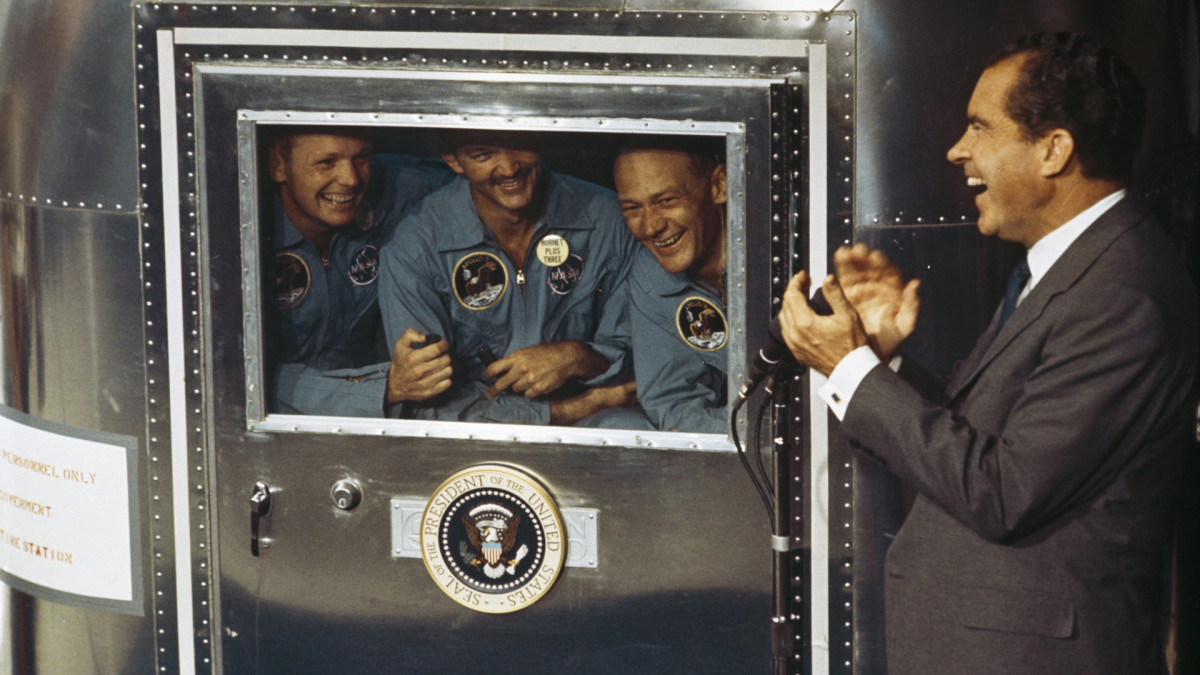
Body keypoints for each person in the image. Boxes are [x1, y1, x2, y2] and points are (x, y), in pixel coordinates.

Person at [779, 33, 1198, 673]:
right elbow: (989, 441)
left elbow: (1004, 492)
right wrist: (881, 358)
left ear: (1054, 149)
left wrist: (850, 370)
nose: (957, 150)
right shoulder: (1074, 268)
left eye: (979, 127)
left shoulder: (1121, 293)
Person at [378, 130, 641, 426]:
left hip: (598, 418)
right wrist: (567, 410)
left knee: (630, 426)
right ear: (452, 159)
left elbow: (650, 364)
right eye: (483, 155)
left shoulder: (608, 221)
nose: (509, 168)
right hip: (478, 429)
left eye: (520, 145)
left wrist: (578, 357)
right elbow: (424, 406)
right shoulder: (414, 246)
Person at [265, 127, 451, 416]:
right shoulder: (241, 229)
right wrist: (382, 389)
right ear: (277, 166)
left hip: (382, 415)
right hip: (284, 420)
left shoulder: (396, 192)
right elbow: (241, 375)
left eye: (362, 158)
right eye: (326, 162)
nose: (351, 179)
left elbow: (485, 181)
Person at [613, 137, 728, 433]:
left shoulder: (781, 259)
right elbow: (674, 403)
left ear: (719, 186)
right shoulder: (649, 273)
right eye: (632, 209)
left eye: (666, 201)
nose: (650, 227)